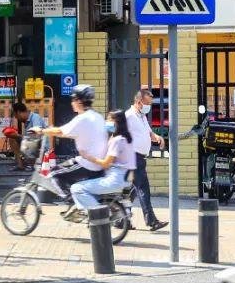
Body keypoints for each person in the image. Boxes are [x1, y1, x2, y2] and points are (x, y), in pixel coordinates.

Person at [31, 84, 107, 217]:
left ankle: (74, 205)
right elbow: (66, 133)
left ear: (79, 101)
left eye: (73, 100)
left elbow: (61, 131)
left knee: (54, 173)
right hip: (98, 163)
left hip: (87, 163)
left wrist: (41, 131)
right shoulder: (97, 116)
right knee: (67, 170)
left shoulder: (82, 118)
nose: (72, 103)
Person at [71, 109, 134, 219]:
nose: (106, 121)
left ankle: (101, 214)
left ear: (117, 122)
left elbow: (105, 163)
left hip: (114, 180)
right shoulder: (124, 138)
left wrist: (88, 157)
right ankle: (93, 213)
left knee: (77, 188)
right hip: (122, 179)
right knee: (90, 193)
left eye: (109, 119)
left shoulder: (117, 140)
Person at [124, 90, 168, 231]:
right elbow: (118, 133)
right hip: (133, 156)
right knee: (143, 188)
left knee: (131, 191)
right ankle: (151, 221)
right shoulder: (129, 116)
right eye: (147, 103)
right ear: (139, 102)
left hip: (140, 157)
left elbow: (149, 133)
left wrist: (158, 138)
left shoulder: (142, 116)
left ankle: (120, 219)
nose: (149, 106)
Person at [9, 101, 47, 170]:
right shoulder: (26, 122)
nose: (17, 119)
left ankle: (32, 164)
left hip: (43, 149)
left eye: (16, 116)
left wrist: (18, 136)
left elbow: (36, 135)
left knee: (30, 140)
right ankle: (20, 165)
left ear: (19, 112)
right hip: (33, 147)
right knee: (12, 138)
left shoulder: (35, 117)